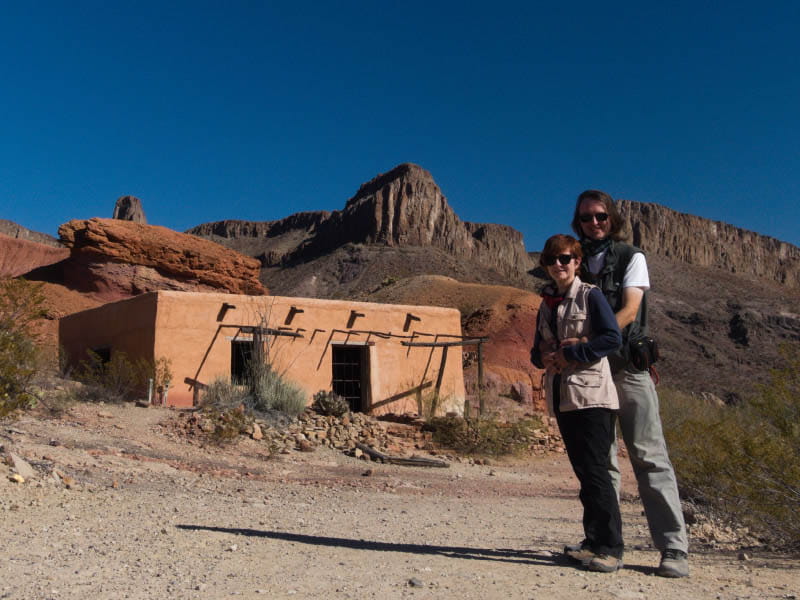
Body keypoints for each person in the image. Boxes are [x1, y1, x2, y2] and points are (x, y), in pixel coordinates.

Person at [569, 190, 689, 578]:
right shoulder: (574, 259)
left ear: (612, 218)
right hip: (590, 373)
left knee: (649, 457)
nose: (594, 223)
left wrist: (592, 341)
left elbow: (631, 309)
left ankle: (674, 548)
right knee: (600, 462)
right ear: (578, 222)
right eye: (587, 218)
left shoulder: (630, 258)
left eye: (600, 216)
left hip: (626, 367)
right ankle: (603, 543)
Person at [531, 234, 624, 573]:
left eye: (566, 258)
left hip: (591, 397)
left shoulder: (590, 296)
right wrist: (545, 356)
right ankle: (592, 541)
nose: (560, 264)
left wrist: (572, 351)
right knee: (585, 473)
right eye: (553, 259)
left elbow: (612, 338)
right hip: (563, 396)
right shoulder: (545, 304)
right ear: (545, 265)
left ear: (577, 262)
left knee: (597, 471)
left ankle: (610, 548)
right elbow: (535, 353)